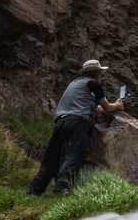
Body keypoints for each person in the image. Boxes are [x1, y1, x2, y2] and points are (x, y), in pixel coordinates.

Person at [29, 59, 125, 195]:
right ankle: (62, 189)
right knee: (72, 155)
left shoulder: (74, 84)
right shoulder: (94, 84)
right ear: (97, 72)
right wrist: (118, 105)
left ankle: (35, 190)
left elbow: (93, 106)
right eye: (99, 72)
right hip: (78, 123)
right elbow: (107, 107)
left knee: (52, 157)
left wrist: (106, 107)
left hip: (61, 121)